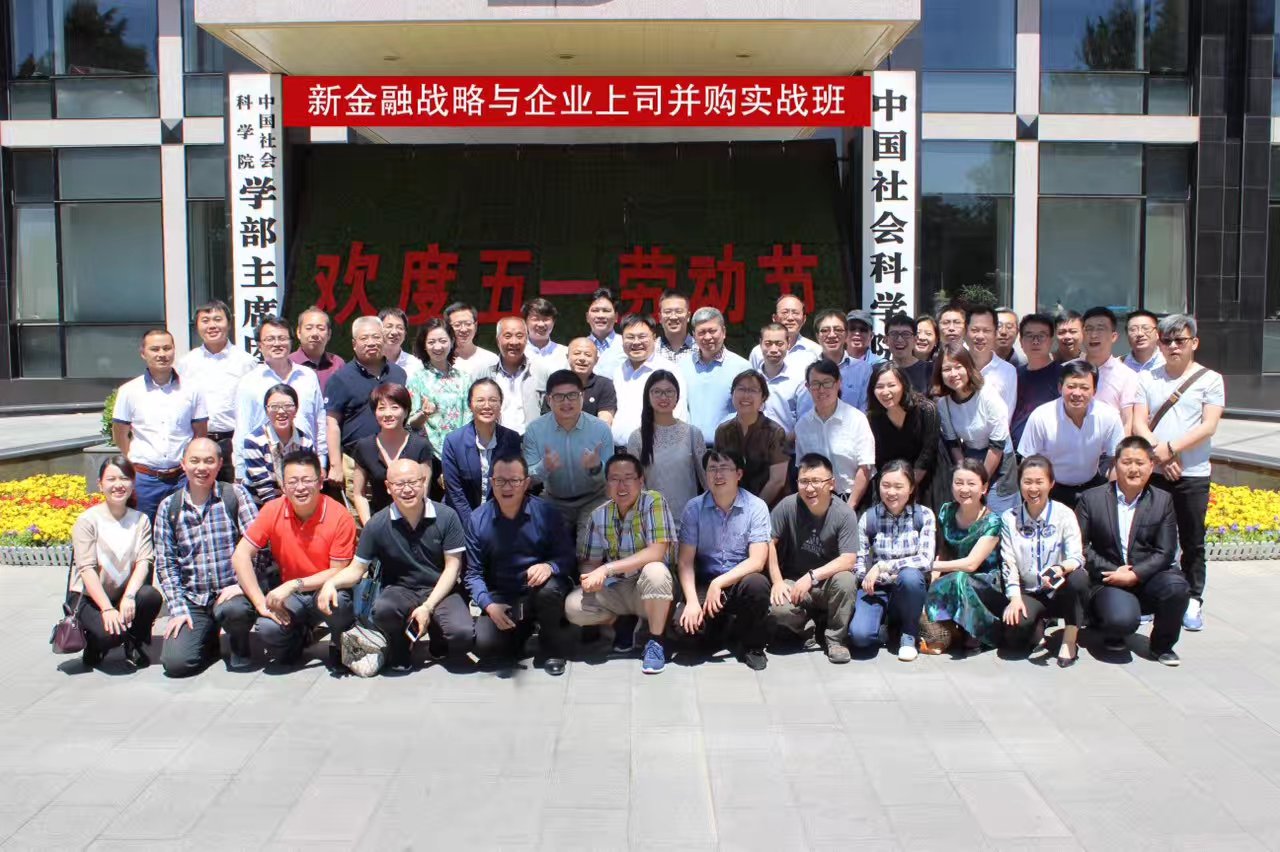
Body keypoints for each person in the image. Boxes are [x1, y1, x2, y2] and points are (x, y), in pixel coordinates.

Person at [318, 458, 474, 670]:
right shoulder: (377, 524)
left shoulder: (447, 516)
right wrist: (331, 584)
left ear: (423, 482)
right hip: (401, 590)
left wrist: (427, 607)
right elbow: (357, 569)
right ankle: (401, 645)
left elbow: (452, 568)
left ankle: (438, 638)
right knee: (383, 610)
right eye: (399, 484)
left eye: (413, 482)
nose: (407, 489)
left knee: (462, 634)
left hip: (440, 588)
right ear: (388, 487)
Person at [1132, 313, 1224, 632]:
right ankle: (1151, 597)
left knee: (1192, 539)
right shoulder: (1148, 378)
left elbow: (1208, 425)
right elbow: (1139, 422)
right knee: (1149, 538)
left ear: (1193, 343)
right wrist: (1161, 453)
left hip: (1193, 473)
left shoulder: (1210, 379)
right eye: (1167, 340)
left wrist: (1170, 449)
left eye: (1180, 340)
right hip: (1156, 472)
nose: (1173, 346)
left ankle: (1193, 598)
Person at [230, 449, 357, 668]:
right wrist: (260, 603)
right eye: (293, 481)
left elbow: (338, 570)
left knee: (340, 603)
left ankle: (339, 642)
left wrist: (293, 584)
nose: (300, 487)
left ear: (320, 482)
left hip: (325, 588)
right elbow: (241, 555)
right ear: (283, 485)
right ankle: (300, 637)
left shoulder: (340, 516)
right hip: (293, 595)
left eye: (307, 480)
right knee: (268, 628)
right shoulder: (273, 509)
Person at [1077, 436, 1189, 665]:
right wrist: (1115, 571)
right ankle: (1110, 628)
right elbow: (1081, 546)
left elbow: (1165, 550)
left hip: (1148, 576)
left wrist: (1135, 574)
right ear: (1115, 464)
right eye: (1127, 462)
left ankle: (1162, 646)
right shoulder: (1092, 499)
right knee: (1120, 620)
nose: (1133, 469)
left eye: (1140, 463)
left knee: (1177, 588)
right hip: (1109, 577)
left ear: (1151, 465)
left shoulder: (1163, 500)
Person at [564, 453, 677, 674]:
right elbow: (590, 562)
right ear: (607, 484)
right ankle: (622, 621)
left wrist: (607, 569)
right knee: (573, 606)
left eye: (628, 478)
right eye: (615, 479)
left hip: (648, 587)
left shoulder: (654, 501)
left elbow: (656, 551)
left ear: (641, 481)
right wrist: (589, 578)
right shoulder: (598, 515)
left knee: (656, 571)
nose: (621, 485)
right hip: (617, 588)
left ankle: (656, 642)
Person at [153, 438, 259, 677]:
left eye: (209, 461)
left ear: (219, 464)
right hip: (194, 598)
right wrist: (178, 609)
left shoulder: (234, 495)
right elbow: (166, 563)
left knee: (236, 611)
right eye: (195, 461)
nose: (202, 467)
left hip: (230, 593)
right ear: (183, 464)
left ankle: (240, 645)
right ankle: (208, 638)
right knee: (177, 664)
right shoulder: (169, 507)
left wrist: (243, 584)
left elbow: (258, 546)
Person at [464, 455, 576, 675]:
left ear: (526, 483)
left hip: (539, 589)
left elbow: (567, 557)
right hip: (503, 594)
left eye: (514, 481)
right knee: (486, 645)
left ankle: (552, 648)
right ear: (492, 482)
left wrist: (549, 567)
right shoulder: (477, 520)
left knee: (550, 591)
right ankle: (521, 630)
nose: (507, 487)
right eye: (500, 481)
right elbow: (473, 574)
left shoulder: (546, 513)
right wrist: (488, 605)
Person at [673, 451, 772, 670]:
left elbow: (757, 561)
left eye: (724, 468)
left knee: (757, 584)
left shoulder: (756, 506)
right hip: (705, 581)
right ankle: (722, 628)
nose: (718, 475)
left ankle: (753, 646)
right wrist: (691, 601)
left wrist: (719, 583)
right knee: (683, 629)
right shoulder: (694, 508)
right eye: (712, 469)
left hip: (740, 580)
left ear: (739, 474)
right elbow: (685, 562)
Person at [70, 456, 164, 669]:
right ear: (100, 484)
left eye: (124, 478)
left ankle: (135, 643)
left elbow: (144, 561)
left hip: (122, 594)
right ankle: (95, 643)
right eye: (111, 479)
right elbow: (86, 569)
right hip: (89, 597)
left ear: (133, 482)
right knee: (110, 635)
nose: (118, 485)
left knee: (149, 596)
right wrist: (106, 609)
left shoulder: (140, 520)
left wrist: (129, 597)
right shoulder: (87, 521)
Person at [765, 453, 858, 664]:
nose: (809, 488)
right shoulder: (787, 506)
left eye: (816, 481)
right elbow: (769, 542)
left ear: (831, 484)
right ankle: (809, 630)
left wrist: (812, 576)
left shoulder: (844, 514)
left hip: (827, 583)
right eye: (804, 481)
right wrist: (777, 581)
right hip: (794, 581)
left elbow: (848, 559)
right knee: (778, 608)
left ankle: (836, 640)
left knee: (847, 580)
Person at [998, 455, 1089, 667]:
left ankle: (1069, 639)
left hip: (1060, 590)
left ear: (1051, 483)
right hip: (1030, 591)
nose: (1033, 488)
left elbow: (1077, 556)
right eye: (1027, 482)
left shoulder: (1064, 514)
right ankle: (1039, 626)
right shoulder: (1009, 518)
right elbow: (1008, 561)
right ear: (1019, 483)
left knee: (1079, 578)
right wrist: (1014, 598)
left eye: (1039, 482)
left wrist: (1061, 568)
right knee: (1014, 633)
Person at [112, 328, 208, 520]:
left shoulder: (192, 389)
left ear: (174, 350)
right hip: (145, 479)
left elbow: (200, 432)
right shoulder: (129, 391)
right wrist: (132, 459)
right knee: (143, 529)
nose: (162, 354)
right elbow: (120, 432)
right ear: (143, 353)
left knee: (185, 527)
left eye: (167, 348)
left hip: (182, 477)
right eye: (155, 349)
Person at [849, 460, 935, 662]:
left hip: (908, 589)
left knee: (910, 577)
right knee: (860, 637)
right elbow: (858, 564)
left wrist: (882, 567)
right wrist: (875, 576)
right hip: (876, 589)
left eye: (898, 486)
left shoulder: (924, 515)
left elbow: (925, 561)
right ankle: (887, 628)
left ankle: (908, 635)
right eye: (885, 485)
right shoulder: (868, 517)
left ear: (911, 488)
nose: (891, 492)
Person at [524, 369, 614, 549]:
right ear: (548, 400)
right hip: (554, 500)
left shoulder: (600, 429)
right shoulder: (535, 429)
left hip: (594, 499)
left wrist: (596, 467)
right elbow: (526, 479)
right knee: (551, 551)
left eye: (572, 395)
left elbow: (612, 477)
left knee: (588, 551)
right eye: (559, 397)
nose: (566, 402)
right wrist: (543, 467)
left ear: (582, 396)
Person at [1017, 361, 1124, 507]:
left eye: (1084, 388)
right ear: (1060, 387)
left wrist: (1112, 500)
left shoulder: (1109, 416)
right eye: (1071, 386)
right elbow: (1028, 460)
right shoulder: (1041, 416)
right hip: (1052, 488)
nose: (1077, 393)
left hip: (1092, 486)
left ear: (1094, 391)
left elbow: (1116, 461)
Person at [233, 317, 327, 482]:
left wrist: (322, 461)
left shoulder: (308, 376)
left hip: (304, 463)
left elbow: (319, 420)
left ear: (291, 342)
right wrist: (240, 472)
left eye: (282, 338)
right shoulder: (249, 382)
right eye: (270, 339)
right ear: (260, 345)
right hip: (263, 466)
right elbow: (243, 427)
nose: (277, 344)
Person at [924, 460, 1005, 650]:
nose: (964, 489)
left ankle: (977, 633)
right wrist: (933, 576)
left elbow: (971, 564)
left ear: (984, 488)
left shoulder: (993, 521)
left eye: (971, 483)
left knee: (960, 578)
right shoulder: (946, 511)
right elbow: (943, 550)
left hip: (985, 580)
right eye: (958, 483)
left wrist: (930, 565)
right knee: (934, 582)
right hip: (953, 573)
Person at [323, 315, 408, 498]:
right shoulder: (341, 378)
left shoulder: (399, 374)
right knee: (358, 512)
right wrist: (335, 465)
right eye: (364, 338)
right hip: (355, 461)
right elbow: (332, 423)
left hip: (394, 459)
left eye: (376, 337)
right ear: (354, 344)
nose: (371, 342)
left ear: (383, 339)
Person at [176, 300, 256, 483]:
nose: (212, 325)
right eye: (205, 321)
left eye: (217, 319)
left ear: (229, 323)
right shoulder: (186, 363)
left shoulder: (245, 362)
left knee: (233, 492)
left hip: (233, 441)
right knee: (199, 492)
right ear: (197, 326)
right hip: (197, 441)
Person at [934, 342, 1016, 514]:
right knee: (971, 513)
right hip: (970, 457)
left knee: (998, 515)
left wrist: (980, 480)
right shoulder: (944, 404)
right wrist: (966, 475)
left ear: (968, 367)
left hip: (999, 460)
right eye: (947, 369)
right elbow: (953, 444)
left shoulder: (988, 395)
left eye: (958, 367)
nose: (953, 374)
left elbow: (997, 446)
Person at [441, 378, 523, 530]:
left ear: (500, 404)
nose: (487, 406)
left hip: (501, 519)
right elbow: (455, 492)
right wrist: (473, 526)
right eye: (480, 400)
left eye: (493, 400)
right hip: (461, 520)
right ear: (470, 405)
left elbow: (514, 485)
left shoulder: (512, 439)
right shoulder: (453, 441)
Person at [628, 370, 706, 529]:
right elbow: (635, 484)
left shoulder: (692, 434)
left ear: (677, 396)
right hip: (653, 523)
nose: (663, 397)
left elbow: (707, 480)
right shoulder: (637, 437)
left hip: (690, 521)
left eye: (669, 391)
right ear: (648, 396)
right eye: (657, 392)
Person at [794, 359, 875, 507]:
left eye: (827, 383)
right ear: (807, 387)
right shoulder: (802, 426)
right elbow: (802, 467)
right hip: (817, 501)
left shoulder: (857, 420)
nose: (821, 390)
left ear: (839, 383)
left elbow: (865, 467)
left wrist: (850, 507)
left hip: (855, 499)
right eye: (815, 384)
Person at [350, 383, 433, 525]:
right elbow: (359, 494)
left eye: (394, 407)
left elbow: (423, 490)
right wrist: (370, 526)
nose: (388, 414)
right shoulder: (364, 446)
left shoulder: (420, 445)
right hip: (379, 522)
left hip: (414, 523)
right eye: (381, 408)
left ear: (406, 412)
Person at [866, 361, 940, 508]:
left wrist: (909, 487)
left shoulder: (926, 409)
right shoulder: (873, 418)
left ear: (903, 385)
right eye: (879, 387)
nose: (885, 392)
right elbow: (880, 459)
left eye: (891, 385)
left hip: (927, 475)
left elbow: (928, 452)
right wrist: (895, 488)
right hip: (893, 480)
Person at [407, 317, 469, 486]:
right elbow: (409, 424)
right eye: (431, 342)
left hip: (461, 453)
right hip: (429, 456)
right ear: (424, 345)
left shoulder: (464, 379)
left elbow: (470, 417)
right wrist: (424, 414)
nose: (438, 347)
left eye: (443, 341)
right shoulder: (416, 380)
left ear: (452, 341)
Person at [609, 314, 684, 448]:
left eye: (642, 337)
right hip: (619, 452)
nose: (636, 342)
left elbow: (678, 414)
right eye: (630, 337)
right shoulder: (618, 371)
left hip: (654, 451)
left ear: (654, 338)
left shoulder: (669, 370)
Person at [714, 370, 787, 506]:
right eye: (741, 389)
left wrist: (753, 510)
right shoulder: (723, 431)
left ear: (763, 397)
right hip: (731, 506)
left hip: (767, 507)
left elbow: (777, 481)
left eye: (753, 390)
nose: (746, 395)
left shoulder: (775, 432)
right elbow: (719, 472)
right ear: (732, 394)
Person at [678, 307, 750, 446]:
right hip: (690, 449)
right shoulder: (682, 366)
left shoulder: (742, 367)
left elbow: (750, 411)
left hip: (729, 449)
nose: (707, 337)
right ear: (693, 335)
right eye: (701, 332)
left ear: (723, 332)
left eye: (712, 331)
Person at [242, 383, 315, 506]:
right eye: (274, 407)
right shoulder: (253, 441)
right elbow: (264, 488)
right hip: (259, 503)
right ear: (266, 410)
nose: (281, 411)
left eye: (288, 406)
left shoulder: (305, 442)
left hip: (296, 501)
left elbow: (307, 479)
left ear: (296, 409)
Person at [798, 308, 872, 415]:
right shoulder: (805, 367)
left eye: (838, 330)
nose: (832, 335)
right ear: (817, 336)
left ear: (846, 334)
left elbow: (864, 410)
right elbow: (802, 409)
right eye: (825, 330)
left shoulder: (863, 369)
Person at [1080, 306, 1140, 434]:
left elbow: (1127, 421)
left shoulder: (1127, 376)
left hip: (1109, 445)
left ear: (1113, 336)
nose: (1093, 335)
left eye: (1100, 329)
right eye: (1089, 329)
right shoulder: (1066, 370)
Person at [1011, 313, 1064, 447]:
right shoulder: (1013, 375)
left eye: (1041, 336)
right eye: (1029, 336)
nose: (1035, 341)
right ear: (1021, 342)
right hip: (1013, 450)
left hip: (1049, 450)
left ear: (1051, 341)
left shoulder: (1063, 376)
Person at [484, 316, 541, 434]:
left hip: (530, 441)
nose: (514, 342)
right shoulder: (485, 373)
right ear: (498, 340)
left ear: (526, 339)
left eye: (519, 336)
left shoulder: (540, 372)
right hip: (495, 440)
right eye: (508, 336)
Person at [543, 337, 618, 425]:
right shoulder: (556, 382)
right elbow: (546, 419)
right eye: (577, 353)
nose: (582, 358)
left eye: (588, 355)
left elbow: (605, 420)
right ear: (567, 357)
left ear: (596, 360)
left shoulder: (604, 385)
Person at [754, 322, 805, 442]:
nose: (773, 349)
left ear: (788, 344)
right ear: (760, 344)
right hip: (753, 449)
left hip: (788, 449)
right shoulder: (751, 380)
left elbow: (805, 422)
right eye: (768, 343)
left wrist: (781, 443)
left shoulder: (799, 381)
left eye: (779, 344)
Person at [748, 294, 821, 374]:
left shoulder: (816, 351)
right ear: (774, 318)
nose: (790, 318)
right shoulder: (758, 352)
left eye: (795, 313)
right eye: (785, 312)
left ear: (804, 319)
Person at [966, 306, 1018, 420]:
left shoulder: (1008, 371)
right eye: (975, 330)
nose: (980, 336)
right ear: (965, 331)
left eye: (986, 331)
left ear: (995, 333)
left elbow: (1006, 416)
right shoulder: (955, 367)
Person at [291, 306, 346, 391]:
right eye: (309, 328)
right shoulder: (288, 363)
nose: (315, 334)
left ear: (329, 334)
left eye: (321, 329)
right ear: (298, 332)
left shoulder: (337, 364)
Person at [445, 302, 500, 379]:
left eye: (468, 324)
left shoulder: (491, 359)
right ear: (448, 328)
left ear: (476, 326)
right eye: (457, 325)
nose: (463, 329)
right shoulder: (442, 360)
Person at [884, 312, 933, 393]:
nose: (900, 339)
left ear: (915, 340)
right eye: (894, 334)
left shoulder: (930, 370)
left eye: (906, 334)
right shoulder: (877, 371)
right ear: (886, 340)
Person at [586, 288, 624, 376]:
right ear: (587, 317)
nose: (600, 315)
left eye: (606, 311)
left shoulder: (626, 345)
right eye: (595, 310)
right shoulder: (579, 347)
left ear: (616, 317)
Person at [379, 307, 424, 380]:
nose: (394, 332)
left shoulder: (416, 365)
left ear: (405, 333)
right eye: (389, 326)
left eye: (400, 328)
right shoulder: (366, 363)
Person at [523, 298, 568, 365]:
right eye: (535, 319)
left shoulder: (565, 353)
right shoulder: (517, 352)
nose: (541, 324)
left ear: (554, 322)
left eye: (546, 319)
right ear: (525, 321)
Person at [656, 291, 696, 360]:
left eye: (678, 311)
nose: (673, 317)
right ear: (660, 317)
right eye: (668, 312)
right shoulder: (651, 350)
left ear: (688, 316)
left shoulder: (701, 349)